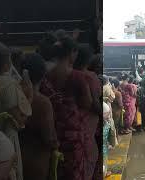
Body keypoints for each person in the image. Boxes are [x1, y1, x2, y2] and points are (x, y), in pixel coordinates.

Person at [39, 37, 93, 180]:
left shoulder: (46, 73)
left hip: (52, 126)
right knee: (74, 169)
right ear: (72, 53)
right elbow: (87, 103)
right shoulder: (78, 76)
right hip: (73, 130)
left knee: (56, 168)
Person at [0, 42, 32, 180]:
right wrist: (30, 95)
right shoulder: (7, 84)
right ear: (6, 64)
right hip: (6, 139)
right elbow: (20, 119)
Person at [19, 53, 59, 180]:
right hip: (36, 162)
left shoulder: (12, 95)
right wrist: (57, 144)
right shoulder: (42, 102)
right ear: (43, 75)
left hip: (16, 157)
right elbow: (48, 138)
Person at [73, 45, 101, 179]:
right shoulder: (90, 77)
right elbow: (94, 103)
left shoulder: (68, 74)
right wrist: (103, 113)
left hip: (70, 123)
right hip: (88, 126)